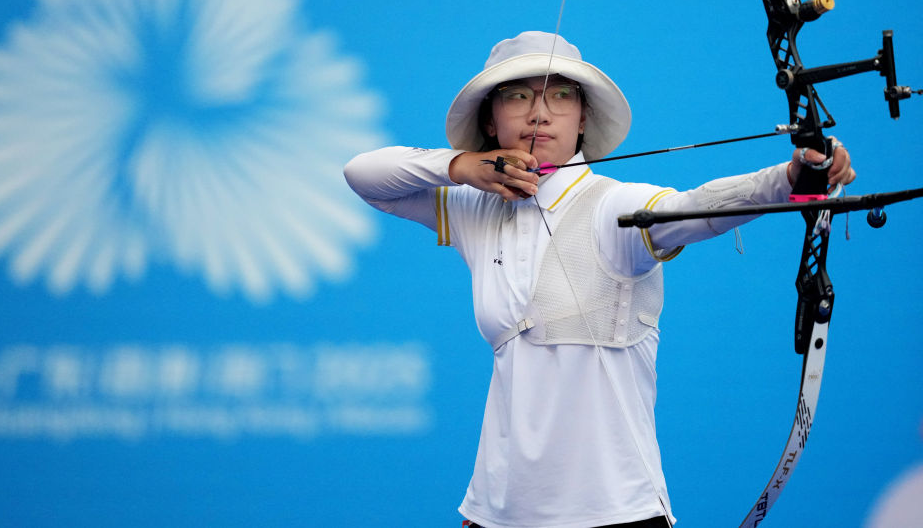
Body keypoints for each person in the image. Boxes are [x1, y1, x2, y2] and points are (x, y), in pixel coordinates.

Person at [343, 31, 855, 528]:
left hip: (615, 513)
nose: (539, 112)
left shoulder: (614, 205)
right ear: (490, 120)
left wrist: (789, 179)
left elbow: (692, 207)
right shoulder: (474, 208)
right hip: (496, 514)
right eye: (517, 96)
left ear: (583, 117)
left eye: (560, 96)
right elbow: (363, 174)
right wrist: (463, 166)